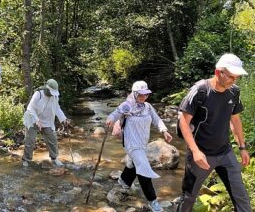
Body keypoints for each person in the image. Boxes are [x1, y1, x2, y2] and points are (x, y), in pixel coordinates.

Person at [177, 53, 251, 212]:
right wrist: (195, 152)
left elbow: (235, 120)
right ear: (218, 72)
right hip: (200, 155)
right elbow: (183, 121)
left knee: (242, 198)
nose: (234, 80)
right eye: (231, 76)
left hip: (225, 153)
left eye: (237, 77)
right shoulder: (200, 90)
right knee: (188, 198)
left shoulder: (234, 92)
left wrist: (242, 147)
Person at [106, 80, 173, 212]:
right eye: (140, 94)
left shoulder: (148, 107)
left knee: (134, 163)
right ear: (134, 93)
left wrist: (164, 131)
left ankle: (124, 180)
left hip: (143, 142)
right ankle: (152, 201)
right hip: (131, 143)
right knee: (143, 168)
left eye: (146, 94)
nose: (143, 97)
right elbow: (115, 113)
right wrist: (110, 119)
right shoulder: (127, 105)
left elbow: (156, 119)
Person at [22, 79, 69, 167]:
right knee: (30, 140)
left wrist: (63, 119)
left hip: (46, 121)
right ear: (46, 89)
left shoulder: (55, 96)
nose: (52, 94)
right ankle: (26, 160)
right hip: (32, 119)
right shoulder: (38, 94)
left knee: (52, 139)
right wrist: (36, 120)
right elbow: (30, 108)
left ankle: (54, 158)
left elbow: (57, 108)